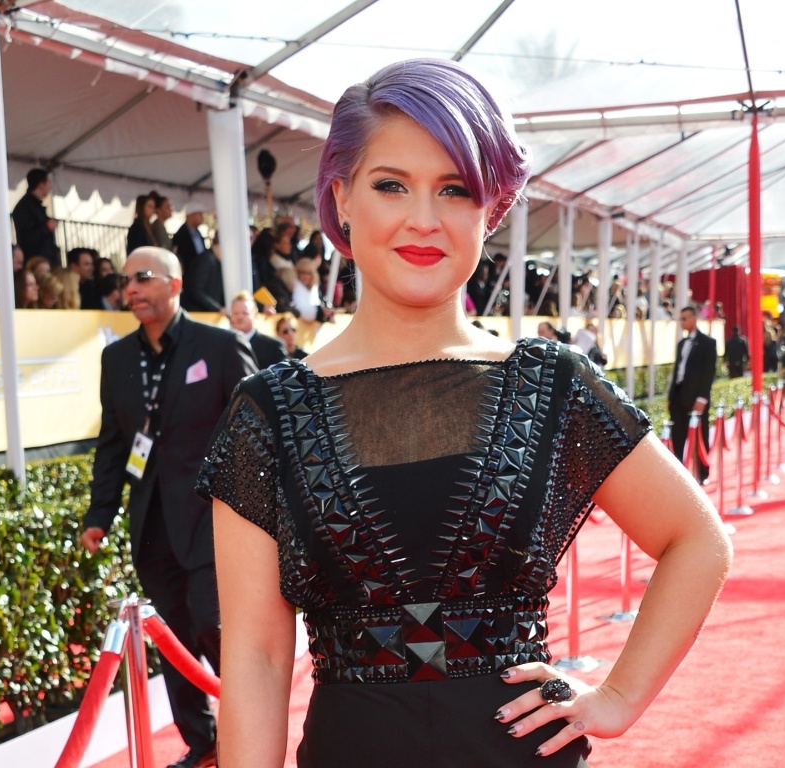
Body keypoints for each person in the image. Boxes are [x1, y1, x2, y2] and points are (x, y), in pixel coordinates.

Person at [198, 59, 731, 768]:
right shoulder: (267, 411)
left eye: (455, 190)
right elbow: (259, 657)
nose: (424, 219)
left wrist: (620, 697)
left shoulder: (552, 385)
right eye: (391, 185)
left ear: (492, 210)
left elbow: (697, 539)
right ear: (342, 197)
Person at [81, 246, 257, 768]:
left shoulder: (221, 347)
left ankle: (246, 739)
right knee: (174, 642)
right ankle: (201, 744)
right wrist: (99, 515)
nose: (130, 288)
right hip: (151, 525)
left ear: (175, 285)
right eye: (125, 280)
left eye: (143, 278)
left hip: (213, 521)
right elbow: (114, 443)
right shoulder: (116, 358)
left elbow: (254, 434)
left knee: (214, 626)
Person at [668, 305, 717, 484]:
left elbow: (708, 372)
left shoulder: (708, 343)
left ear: (694, 318)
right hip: (679, 396)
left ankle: (702, 473)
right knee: (677, 435)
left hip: (696, 398)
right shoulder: (681, 343)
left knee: (699, 436)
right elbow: (678, 370)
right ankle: (679, 473)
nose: (682, 322)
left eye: (685, 318)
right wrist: (671, 395)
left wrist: (702, 398)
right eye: (680, 319)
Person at [11, 167, 59, 267]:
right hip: (36, 262)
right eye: (48, 183)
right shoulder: (24, 207)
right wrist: (47, 227)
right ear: (41, 185)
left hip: (45, 260)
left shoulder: (34, 205)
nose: (50, 187)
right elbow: (27, 237)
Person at [229, 290, 286, 368]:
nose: (239, 317)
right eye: (235, 313)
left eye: (245, 313)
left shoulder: (273, 347)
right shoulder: (223, 346)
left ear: (255, 316)